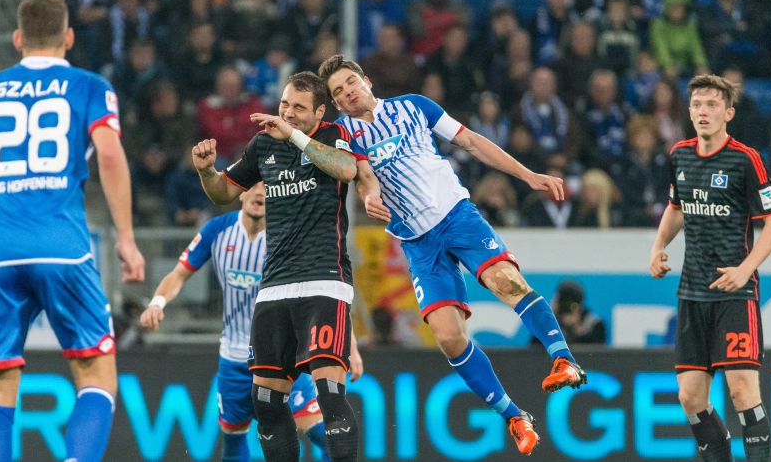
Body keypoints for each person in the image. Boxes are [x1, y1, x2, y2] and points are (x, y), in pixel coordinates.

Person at [319, 54, 588, 457]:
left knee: (505, 281)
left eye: (350, 83)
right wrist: (370, 195)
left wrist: (527, 175)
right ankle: (514, 416)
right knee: (447, 337)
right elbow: (362, 175)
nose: (347, 93)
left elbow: (471, 141)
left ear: (367, 81)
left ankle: (564, 359)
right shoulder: (343, 132)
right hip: (417, 242)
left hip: (457, 216)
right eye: (338, 92)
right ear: (336, 103)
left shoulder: (415, 106)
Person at [0, 0, 145, 461]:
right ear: (69, 37)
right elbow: (109, 155)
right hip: (63, 247)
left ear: (17, 39)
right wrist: (127, 238)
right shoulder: (89, 86)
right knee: (97, 375)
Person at [191, 71, 380, 462]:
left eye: (298, 108)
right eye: (283, 105)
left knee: (329, 395)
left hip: (325, 281)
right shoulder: (263, 145)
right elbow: (223, 193)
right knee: (266, 402)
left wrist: (292, 135)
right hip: (275, 286)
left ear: (320, 112)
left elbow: (346, 170)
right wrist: (207, 171)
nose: (288, 113)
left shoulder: (333, 133)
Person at [140, 183, 364, 461]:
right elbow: (178, 273)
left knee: (317, 431)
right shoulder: (217, 230)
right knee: (233, 440)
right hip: (234, 360)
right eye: (253, 186)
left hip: (282, 356)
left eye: (266, 187)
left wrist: (350, 345)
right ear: (241, 192)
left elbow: (324, 290)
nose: (259, 192)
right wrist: (157, 302)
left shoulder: (290, 235)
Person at [650, 74, 771, 462]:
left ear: (728, 113)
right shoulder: (680, 155)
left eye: (712, 104)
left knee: (742, 390)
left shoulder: (745, 159)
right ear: (689, 112)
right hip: (692, 293)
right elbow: (676, 207)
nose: (703, 111)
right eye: (697, 104)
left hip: (735, 294)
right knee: (690, 398)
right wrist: (658, 247)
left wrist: (745, 269)